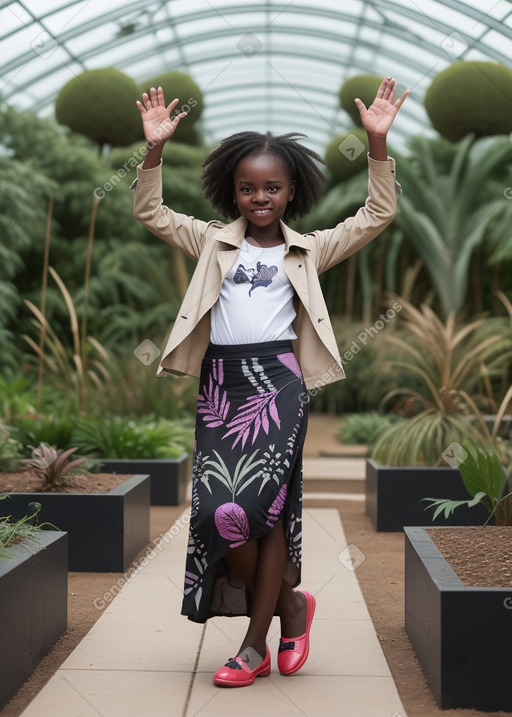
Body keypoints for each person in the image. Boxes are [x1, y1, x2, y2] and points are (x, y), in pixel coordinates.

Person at [133, 77, 408, 687]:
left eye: (273, 188)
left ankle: (252, 645)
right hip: (220, 384)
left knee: (264, 511)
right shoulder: (210, 242)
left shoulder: (308, 250)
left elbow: (377, 214)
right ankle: (290, 606)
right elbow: (150, 211)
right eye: (248, 187)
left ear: (292, 192)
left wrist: (379, 145)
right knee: (218, 511)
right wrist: (152, 149)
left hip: (279, 384)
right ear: (232, 190)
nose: (261, 197)